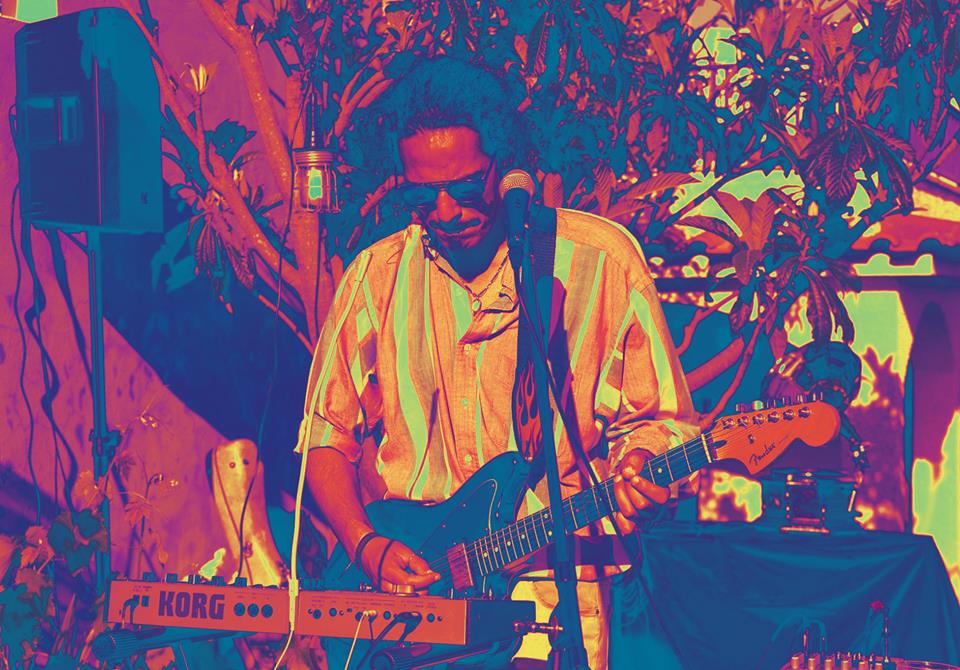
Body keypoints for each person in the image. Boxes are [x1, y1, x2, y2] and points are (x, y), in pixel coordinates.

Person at [299, 57, 698, 669]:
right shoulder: (375, 276)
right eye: (421, 194)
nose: (445, 210)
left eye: (463, 187)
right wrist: (366, 545)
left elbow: (661, 421)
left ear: (504, 168)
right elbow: (325, 436)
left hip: (553, 598)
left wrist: (643, 463)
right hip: (412, 605)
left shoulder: (599, 262)